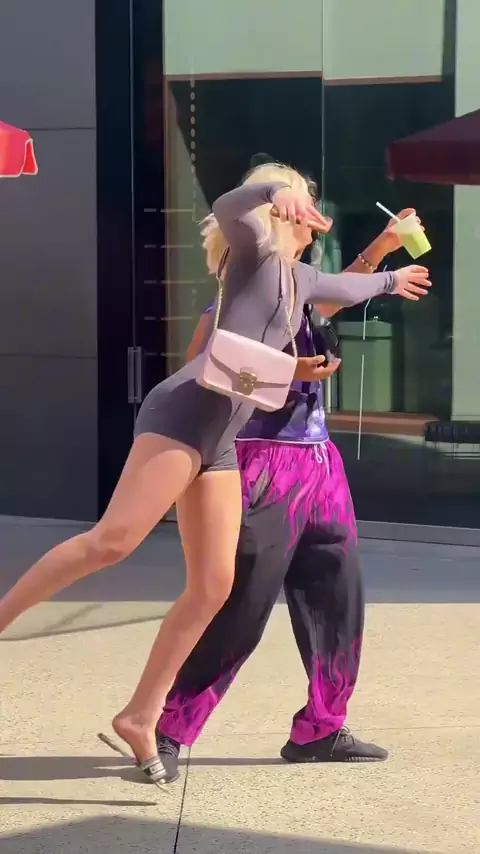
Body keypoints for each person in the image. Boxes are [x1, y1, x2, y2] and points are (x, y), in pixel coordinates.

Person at [0, 164, 431, 785]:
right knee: (112, 541)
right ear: (282, 212)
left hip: (222, 442)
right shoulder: (252, 256)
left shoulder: (301, 278)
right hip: (182, 419)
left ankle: (140, 715)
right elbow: (231, 206)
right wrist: (271, 192)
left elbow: (348, 286)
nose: (312, 209)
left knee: (213, 586)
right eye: (304, 199)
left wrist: (392, 273)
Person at [153, 204, 423, 780]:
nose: (313, 222)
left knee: (338, 600)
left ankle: (321, 729)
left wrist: (383, 246)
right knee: (241, 607)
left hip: (320, 465)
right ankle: (169, 728)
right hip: (261, 466)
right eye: (300, 215)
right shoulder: (233, 308)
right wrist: (290, 372)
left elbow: (342, 289)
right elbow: (203, 375)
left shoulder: (299, 293)